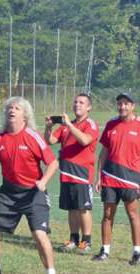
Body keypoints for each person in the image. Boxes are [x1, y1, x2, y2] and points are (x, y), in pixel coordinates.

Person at [0, 97, 61, 274]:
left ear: (25, 115)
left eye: (16, 108)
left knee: (39, 235)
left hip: (33, 193)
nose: (12, 110)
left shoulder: (33, 136)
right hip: (8, 192)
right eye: (9, 108)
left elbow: (53, 163)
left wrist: (43, 182)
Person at [93, 93, 140, 265]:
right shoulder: (111, 124)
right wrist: (99, 177)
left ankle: (137, 252)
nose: (122, 107)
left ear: (132, 106)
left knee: (133, 215)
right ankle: (105, 250)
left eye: (126, 104)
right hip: (110, 177)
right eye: (120, 104)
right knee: (107, 215)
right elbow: (103, 152)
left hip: (130, 179)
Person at [44, 94, 99, 253]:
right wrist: (48, 127)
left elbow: (84, 140)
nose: (77, 105)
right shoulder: (67, 125)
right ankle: (74, 239)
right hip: (66, 172)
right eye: (75, 102)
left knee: (83, 208)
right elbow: (50, 141)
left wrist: (69, 124)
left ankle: (86, 241)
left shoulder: (90, 124)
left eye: (81, 103)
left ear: (89, 107)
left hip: (81, 173)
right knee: (71, 208)